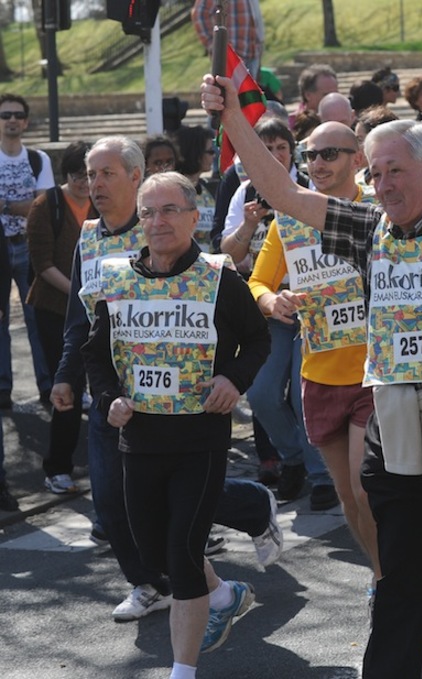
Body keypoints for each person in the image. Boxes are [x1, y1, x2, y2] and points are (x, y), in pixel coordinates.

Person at [203, 72, 422, 679]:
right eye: (375, 173)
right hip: (391, 422)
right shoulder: (365, 229)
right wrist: (233, 122)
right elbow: (285, 196)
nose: (383, 184)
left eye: (394, 170)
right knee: (401, 574)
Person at [82, 171, 269, 678]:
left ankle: (181, 671)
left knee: (184, 553)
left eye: (169, 210)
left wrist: (233, 378)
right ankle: (226, 593)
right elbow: (97, 356)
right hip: (139, 438)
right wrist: (109, 399)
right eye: (148, 212)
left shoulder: (218, 276)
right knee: (156, 554)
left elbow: (257, 341)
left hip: (199, 438)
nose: (158, 221)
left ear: (193, 217)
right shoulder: (117, 278)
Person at [247, 121, 381, 582]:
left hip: (374, 373)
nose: (318, 164)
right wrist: (272, 300)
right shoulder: (288, 219)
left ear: (357, 158)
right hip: (320, 373)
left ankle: (394, 581)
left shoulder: (381, 212)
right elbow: (258, 281)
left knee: (366, 492)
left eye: (330, 154)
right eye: (311, 156)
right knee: (348, 500)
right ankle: (383, 576)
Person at [51, 136, 173, 620]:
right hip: (108, 392)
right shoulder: (89, 234)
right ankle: (149, 583)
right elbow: (79, 315)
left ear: (135, 177)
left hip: (166, 389)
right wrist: (65, 375)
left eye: (106, 174)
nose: (95, 184)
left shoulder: (162, 227)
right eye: (90, 173)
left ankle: (249, 507)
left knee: (172, 495)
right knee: (110, 498)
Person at [219, 117, 337, 510]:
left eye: (280, 148)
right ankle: (293, 460)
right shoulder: (243, 193)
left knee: (305, 395)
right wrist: (250, 223)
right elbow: (231, 257)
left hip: (319, 311)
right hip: (270, 309)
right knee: (263, 392)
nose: (272, 156)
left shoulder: (310, 189)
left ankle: (321, 475)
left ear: (291, 154)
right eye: (263, 148)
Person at [26, 141, 96, 495]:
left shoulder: (103, 205)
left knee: (96, 386)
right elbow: (42, 265)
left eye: (90, 175)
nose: (85, 182)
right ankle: (57, 468)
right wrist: (80, 292)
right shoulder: (46, 205)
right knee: (66, 383)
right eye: (77, 175)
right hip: (55, 309)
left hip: (97, 309)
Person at [0, 93, 54, 409]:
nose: (11, 120)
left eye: (18, 115)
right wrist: (23, 206)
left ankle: (47, 385)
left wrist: (5, 204)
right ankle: (3, 388)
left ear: (26, 121)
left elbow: (41, 209)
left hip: (29, 248)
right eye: (5, 115)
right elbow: (32, 204)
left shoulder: (38, 159)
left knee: (37, 318)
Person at [172, 125, 217, 252]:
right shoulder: (171, 192)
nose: (214, 156)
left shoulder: (208, 190)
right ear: (195, 153)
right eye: (210, 151)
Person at [192, 0, 264, 78]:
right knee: (226, 88)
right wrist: (217, 47)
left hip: (252, 56)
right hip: (229, 58)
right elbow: (199, 15)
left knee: (250, 90)